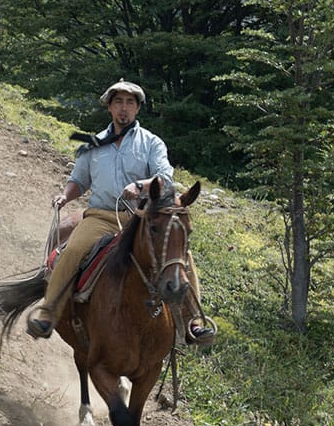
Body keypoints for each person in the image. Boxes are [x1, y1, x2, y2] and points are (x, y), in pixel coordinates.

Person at [26, 79, 216, 345]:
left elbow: (165, 179)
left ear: (137, 109)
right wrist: (65, 196)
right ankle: (48, 313)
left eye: (129, 103)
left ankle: (193, 320)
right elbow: (79, 180)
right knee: (73, 249)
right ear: (110, 108)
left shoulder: (152, 143)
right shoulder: (93, 144)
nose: (123, 109)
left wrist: (141, 185)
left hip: (141, 218)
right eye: (118, 102)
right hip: (101, 217)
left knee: (181, 254)